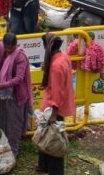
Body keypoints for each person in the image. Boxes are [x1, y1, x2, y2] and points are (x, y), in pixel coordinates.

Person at [0, 33, 33, 158]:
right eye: (6, 48)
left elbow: (19, 78)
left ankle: (13, 153)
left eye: (11, 49)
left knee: (13, 125)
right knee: (1, 121)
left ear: (15, 45)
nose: (8, 51)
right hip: (3, 95)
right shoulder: (1, 47)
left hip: (15, 95)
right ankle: (2, 149)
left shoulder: (20, 56)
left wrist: (1, 86)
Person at [37, 33, 73, 175]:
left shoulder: (56, 66)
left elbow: (58, 92)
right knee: (45, 135)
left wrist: (53, 114)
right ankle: (43, 165)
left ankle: (55, 170)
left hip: (53, 109)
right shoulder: (63, 57)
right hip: (55, 107)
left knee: (54, 141)